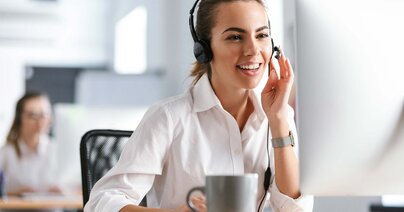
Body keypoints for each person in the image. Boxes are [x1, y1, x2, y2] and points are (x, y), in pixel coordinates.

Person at [85, 0, 314, 211]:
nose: (253, 50)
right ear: (204, 49)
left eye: (262, 35)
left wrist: (279, 121)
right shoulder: (168, 118)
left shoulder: (277, 117)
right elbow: (102, 202)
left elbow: (296, 210)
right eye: (235, 37)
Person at [0, 91, 62, 196]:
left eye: (44, 115)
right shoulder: (6, 152)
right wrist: (14, 193)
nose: (40, 121)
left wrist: (64, 191)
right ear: (20, 118)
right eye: (32, 115)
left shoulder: (58, 150)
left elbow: (78, 187)